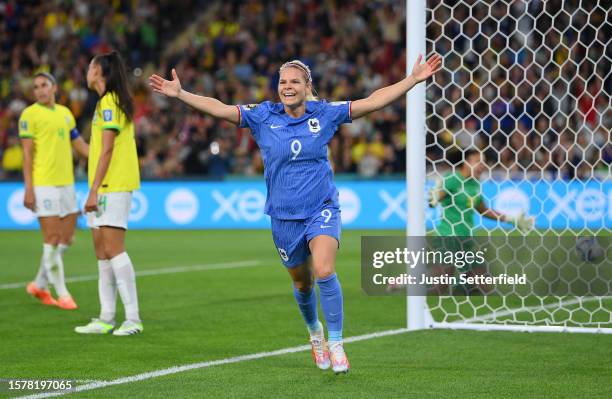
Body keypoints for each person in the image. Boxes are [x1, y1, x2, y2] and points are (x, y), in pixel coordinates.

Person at [149, 54, 442, 373]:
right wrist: (181, 94)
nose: (287, 87)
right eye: (283, 82)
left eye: (294, 82)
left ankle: (338, 342)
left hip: (322, 208)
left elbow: (371, 102)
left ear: (307, 86)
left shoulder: (325, 113)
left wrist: (412, 80)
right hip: (284, 217)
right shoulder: (263, 115)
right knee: (303, 285)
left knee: (325, 269)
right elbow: (220, 108)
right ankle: (315, 332)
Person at [74, 51, 143, 336]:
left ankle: (133, 319)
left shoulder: (109, 103)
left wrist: (92, 191)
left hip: (111, 186)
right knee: (102, 252)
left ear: (101, 72)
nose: (87, 70)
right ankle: (106, 317)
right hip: (104, 185)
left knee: (114, 249)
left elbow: (107, 150)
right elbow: (95, 152)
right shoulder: (106, 103)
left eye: (91, 66)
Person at [19, 71, 89, 310]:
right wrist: (29, 189)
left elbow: (79, 145)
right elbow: (27, 155)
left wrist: (103, 154)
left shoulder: (65, 114)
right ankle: (63, 294)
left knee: (67, 239)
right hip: (44, 184)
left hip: (67, 184)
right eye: (36, 86)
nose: (39, 90)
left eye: (44, 85)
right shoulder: (29, 115)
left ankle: (39, 284)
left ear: (54, 87)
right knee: (52, 239)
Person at [427, 148, 534, 294]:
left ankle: (466, 294)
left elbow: (483, 210)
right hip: (447, 237)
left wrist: (511, 219)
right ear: (466, 162)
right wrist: (434, 197)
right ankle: (406, 289)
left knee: (483, 284)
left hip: (466, 239)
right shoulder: (453, 178)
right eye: (478, 161)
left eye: (483, 162)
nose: (482, 165)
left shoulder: (475, 184)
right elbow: (437, 196)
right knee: (440, 285)